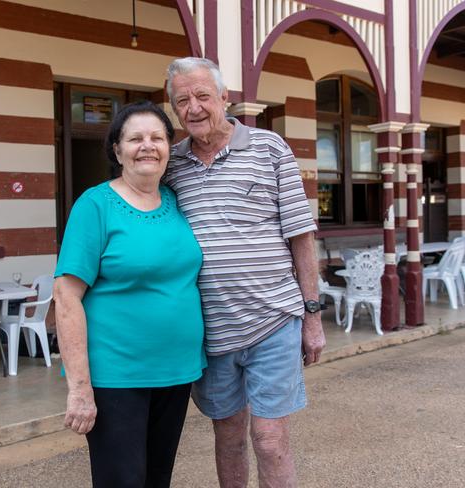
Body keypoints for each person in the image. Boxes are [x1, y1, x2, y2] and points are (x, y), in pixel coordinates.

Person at [163, 57, 325, 488]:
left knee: (270, 439)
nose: (194, 108)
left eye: (202, 96)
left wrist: (312, 317)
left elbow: (301, 237)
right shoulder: (172, 165)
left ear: (224, 98)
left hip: (274, 319)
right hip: (210, 329)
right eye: (182, 101)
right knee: (228, 436)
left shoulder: (271, 148)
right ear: (173, 109)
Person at [53, 100, 206, 487]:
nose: (147, 146)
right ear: (117, 150)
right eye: (135, 138)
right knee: (122, 480)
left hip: (175, 372)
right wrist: (79, 388)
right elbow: (66, 297)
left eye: (157, 137)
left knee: (157, 479)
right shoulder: (95, 205)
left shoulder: (176, 202)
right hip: (117, 376)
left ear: (170, 148)